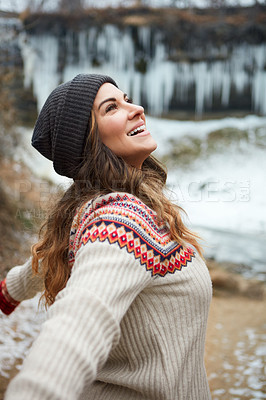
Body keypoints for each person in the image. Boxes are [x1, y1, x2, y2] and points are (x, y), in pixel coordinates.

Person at [0, 74, 212, 400]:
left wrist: (9, 291)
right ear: (88, 142)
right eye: (112, 108)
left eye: (127, 98)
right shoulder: (121, 221)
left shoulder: (86, 208)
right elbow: (77, 327)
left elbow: (43, 261)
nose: (137, 108)